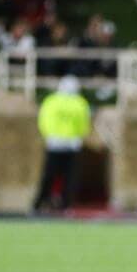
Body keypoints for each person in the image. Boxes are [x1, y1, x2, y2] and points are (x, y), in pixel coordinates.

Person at [32, 76, 90, 212]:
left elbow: (43, 121)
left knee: (48, 176)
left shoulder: (51, 101)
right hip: (72, 144)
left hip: (54, 143)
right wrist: (79, 136)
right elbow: (84, 123)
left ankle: (39, 204)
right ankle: (66, 205)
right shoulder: (80, 103)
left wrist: (48, 135)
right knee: (69, 178)